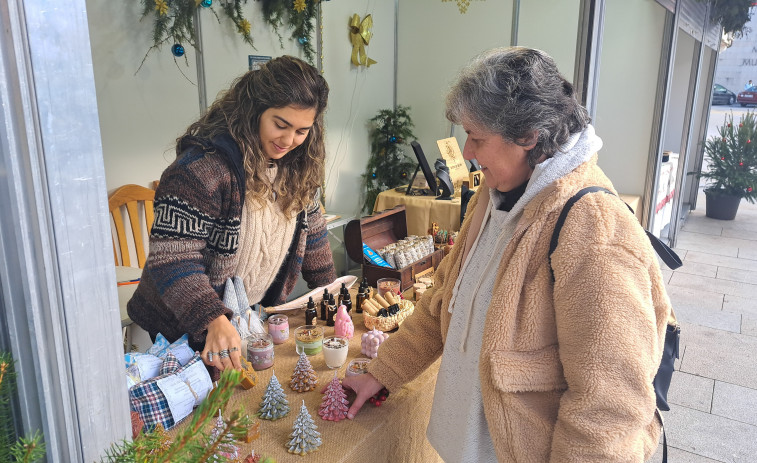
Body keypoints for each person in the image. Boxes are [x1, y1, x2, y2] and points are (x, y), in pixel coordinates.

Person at [342, 47, 673, 462]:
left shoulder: (593, 228)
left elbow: (609, 405)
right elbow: (444, 299)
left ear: (529, 136)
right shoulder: (497, 192)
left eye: (477, 137)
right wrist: (384, 372)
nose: (465, 152)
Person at [127, 56, 336, 373]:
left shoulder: (298, 167)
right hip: (176, 328)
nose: (288, 140)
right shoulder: (202, 169)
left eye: (301, 131)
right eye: (280, 125)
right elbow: (173, 258)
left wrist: (329, 295)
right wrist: (212, 318)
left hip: (242, 317)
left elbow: (316, 236)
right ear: (254, 111)